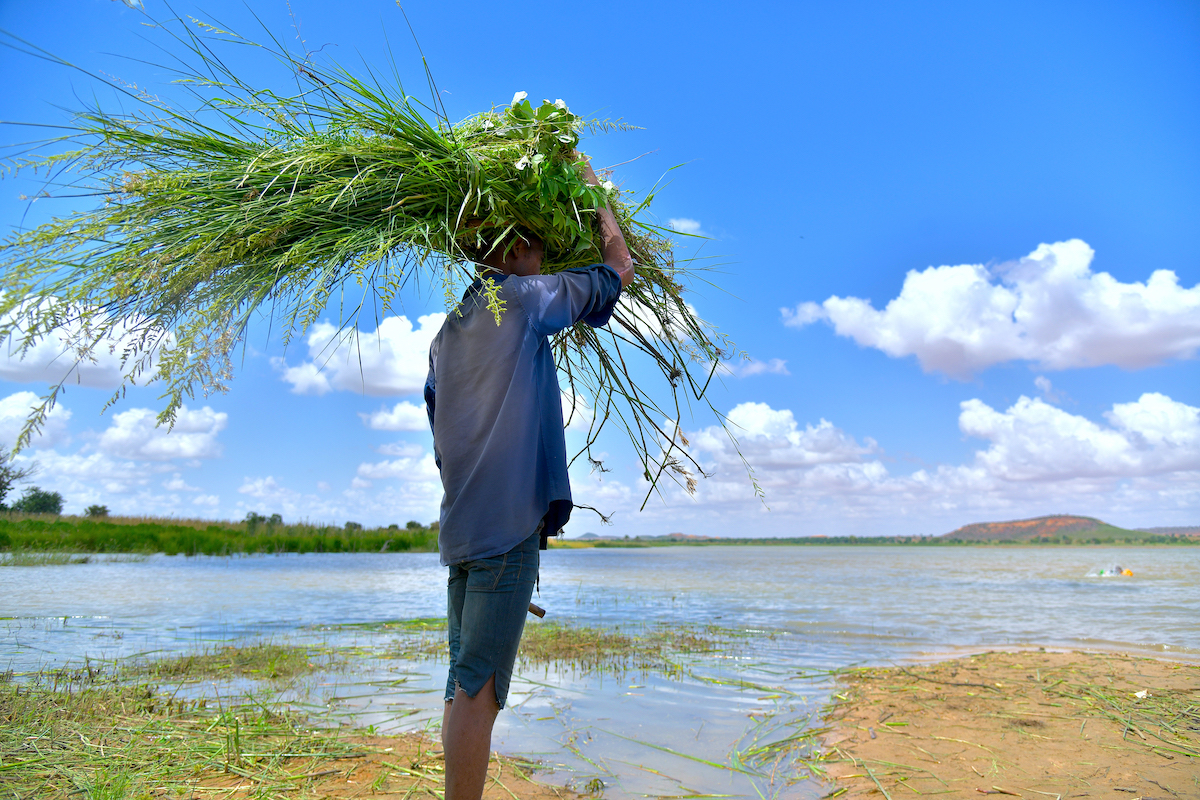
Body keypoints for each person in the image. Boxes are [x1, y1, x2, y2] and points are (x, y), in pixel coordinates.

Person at [424, 157, 634, 800]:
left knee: (463, 680)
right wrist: (598, 202)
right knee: (481, 688)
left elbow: (439, 437)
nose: (543, 258)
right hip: (505, 529)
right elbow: (617, 272)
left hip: (462, 529)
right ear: (513, 247)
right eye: (539, 245)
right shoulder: (520, 301)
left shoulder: (446, 334)